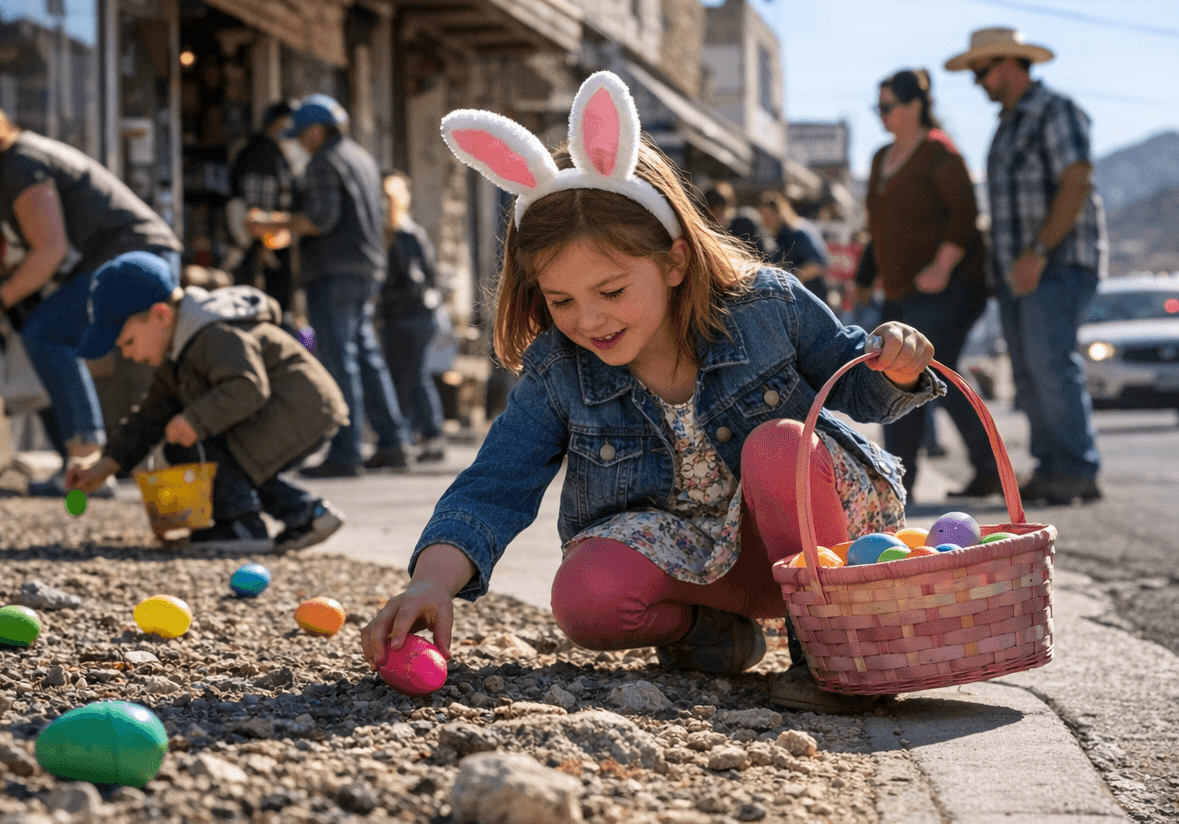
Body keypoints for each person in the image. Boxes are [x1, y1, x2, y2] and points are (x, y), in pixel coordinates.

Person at [360, 72, 942, 713]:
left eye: (610, 291)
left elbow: (857, 382)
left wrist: (898, 364)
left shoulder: (766, 304)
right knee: (586, 599)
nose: (588, 320)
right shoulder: (560, 368)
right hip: (705, 565)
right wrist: (431, 585)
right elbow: (496, 481)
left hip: (820, 539)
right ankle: (713, 636)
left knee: (779, 445)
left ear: (674, 260)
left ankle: (836, 650)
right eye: (562, 300)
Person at [0, 96, 181, 495]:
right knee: (35, 328)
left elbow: (49, 251)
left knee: (46, 330)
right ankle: (76, 472)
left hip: (137, 255)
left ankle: (86, 460)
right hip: (110, 260)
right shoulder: (1, 175)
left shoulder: (21, 162)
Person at [65, 252, 348, 553]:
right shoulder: (175, 353)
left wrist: (194, 420)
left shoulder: (213, 333)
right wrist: (104, 465)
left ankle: (242, 526)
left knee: (207, 448)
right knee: (223, 453)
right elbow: (149, 419)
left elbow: (247, 386)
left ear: (161, 315)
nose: (127, 354)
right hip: (284, 412)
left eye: (128, 342)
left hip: (300, 409)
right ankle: (307, 515)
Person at [946, 27, 1107, 506]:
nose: (977, 81)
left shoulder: (1054, 110)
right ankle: (1054, 467)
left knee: (1050, 363)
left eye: (981, 70)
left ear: (1009, 64)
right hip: (1019, 272)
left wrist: (1038, 250)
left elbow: (1076, 180)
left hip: (1057, 263)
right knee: (1031, 371)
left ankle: (1077, 469)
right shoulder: (1009, 124)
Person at [250, 94, 410, 477]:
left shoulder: (324, 161)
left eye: (303, 134)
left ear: (318, 131)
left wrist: (274, 225)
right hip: (367, 267)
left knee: (340, 359)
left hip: (335, 271)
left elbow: (321, 219)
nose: (302, 142)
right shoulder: (362, 158)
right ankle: (392, 442)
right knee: (365, 356)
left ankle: (346, 451)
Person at [866, 68, 999, 502]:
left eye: (888, 107)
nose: (882, 115)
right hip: (902, 291)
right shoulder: (880, 158)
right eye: (878, 107)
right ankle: (978, 470)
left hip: (953, 286)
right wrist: (865, 280)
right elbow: (879, 228)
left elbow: (966, 217)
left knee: (913, 370)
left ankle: (898, 484)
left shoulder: (940, 153)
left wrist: (942, 265)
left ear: (915, 106)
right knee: (918, 372)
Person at [378, 171, 447, 464]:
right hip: (414, 316)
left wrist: (387, 301)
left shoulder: (403, 235)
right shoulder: (408, 233)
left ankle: (426, 435)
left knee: (410, 378)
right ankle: (426, 435)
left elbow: (415, 280)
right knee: (414, 376)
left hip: (409, 316)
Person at [227, 100, 298, 316]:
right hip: (260, 244)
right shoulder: (260, 153)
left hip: (271, 240)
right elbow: (257, 209)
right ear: (275, 123)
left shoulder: (278, 153)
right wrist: (262, 244)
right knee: (261, 304)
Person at [759, 192, 829, 297]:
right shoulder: (774, 238)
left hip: (810, 297)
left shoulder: (798, 234)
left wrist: (793, 282)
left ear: (779, 214)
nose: (765, 222)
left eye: (767, 218)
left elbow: (819, 263)